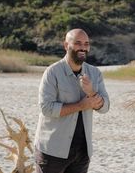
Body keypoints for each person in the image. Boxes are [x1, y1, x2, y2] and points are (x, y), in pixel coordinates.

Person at [34, 28, 110, 173]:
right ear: (66, 45)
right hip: (52, 151)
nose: (83, 47)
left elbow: (105, 107)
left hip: (82, 152)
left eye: (86, 43)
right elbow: (47, 108)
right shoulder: (52, 72)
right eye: (78, 43)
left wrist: (92, 92)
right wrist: (81, 105)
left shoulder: (95, 73)